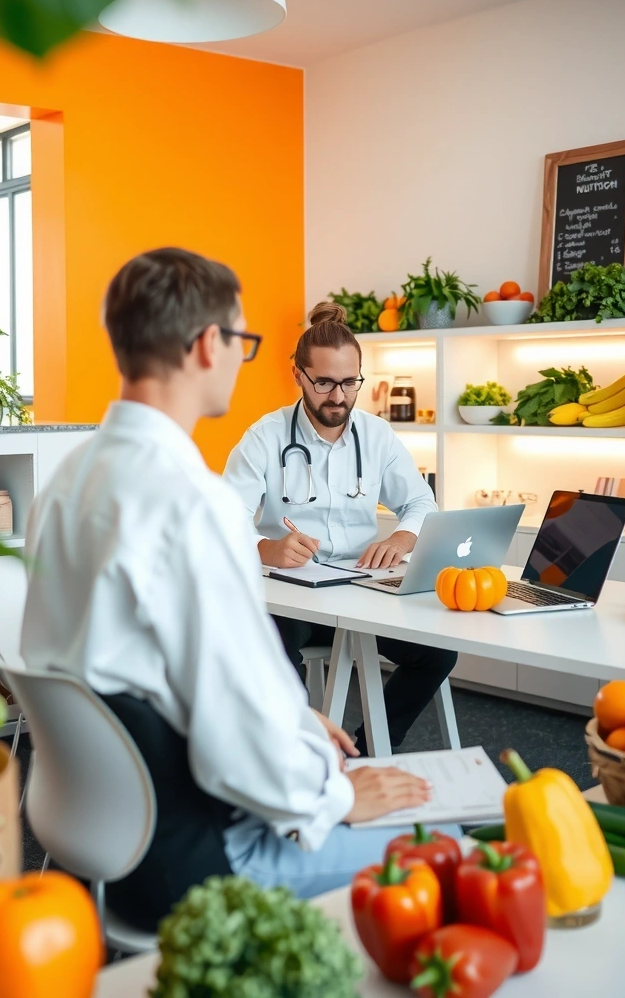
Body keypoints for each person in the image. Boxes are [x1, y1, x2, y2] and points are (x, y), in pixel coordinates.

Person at [22, 248, 434, 918]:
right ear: (209, 345)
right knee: (447, 835)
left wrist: (293, 718)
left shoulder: (65, 484)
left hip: (93, 837)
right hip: (196, 854)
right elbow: (240, 753)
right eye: (242, 341)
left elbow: (142, 674)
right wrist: (338, 797)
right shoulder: (192, 503)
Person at [223, 302, 457, 750]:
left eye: (351, 383)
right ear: (298, 375)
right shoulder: (265, 437)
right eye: (325, 382)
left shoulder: (377, 435)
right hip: (290, 596)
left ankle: (364, 750)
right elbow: (224, 515)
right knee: (270, 655)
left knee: (438, 653)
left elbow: (420, 500)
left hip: (362, 591)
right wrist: (264, 549)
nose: (338, 397)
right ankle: (300, 758)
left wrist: (404, 535)